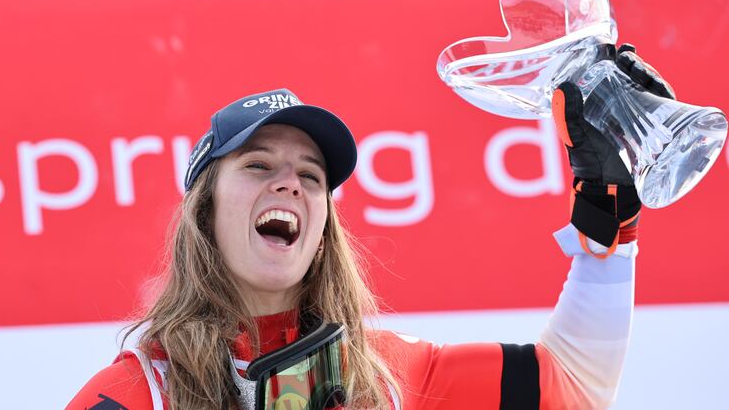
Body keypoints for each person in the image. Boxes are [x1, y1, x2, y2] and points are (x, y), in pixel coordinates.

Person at [67, 45, 673, 410]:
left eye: (311, 175)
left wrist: (607, 217)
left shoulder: (390, 376)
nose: (290, 184)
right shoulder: (138, 393)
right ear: (204, 212)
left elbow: (571, 391)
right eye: (258, 165)